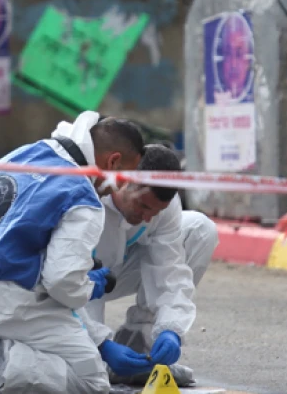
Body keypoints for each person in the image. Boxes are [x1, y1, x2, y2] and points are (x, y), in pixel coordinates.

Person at [0, 111, 146, 394]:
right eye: (124, 177)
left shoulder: (24, 153)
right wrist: (90, 286)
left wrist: (98, 335)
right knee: (91, 382)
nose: (120, 188)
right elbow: (63, 285)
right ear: (113, 162)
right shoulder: (82, 197)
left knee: (41, 335)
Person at [83, 144, 220, 386]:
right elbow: (60, 281)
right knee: (81, 374)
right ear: (124, 181)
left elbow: (170, 269)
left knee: (199, 229)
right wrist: (99, 345)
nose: (148, 217)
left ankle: (140, 346)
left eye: (157, 211)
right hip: (78, 279)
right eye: (143, 206)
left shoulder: (162, 207)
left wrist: (171, 329)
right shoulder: (86, 196)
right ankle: (97, 358)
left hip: (116, 271)